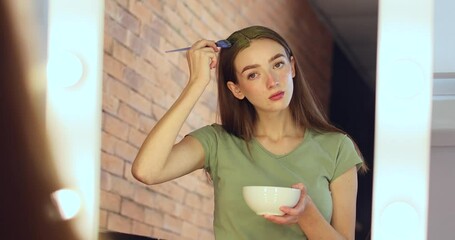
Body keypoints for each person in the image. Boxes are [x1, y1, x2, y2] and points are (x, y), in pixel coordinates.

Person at [132, 25, 366, 240]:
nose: (273, 81)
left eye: (278, 64)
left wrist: (306, 214)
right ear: (236, 89)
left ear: (292, 67)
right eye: (253, 74)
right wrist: (197, 82)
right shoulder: (218, 142)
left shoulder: (336, 148)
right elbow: (147, 171)